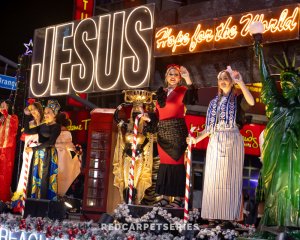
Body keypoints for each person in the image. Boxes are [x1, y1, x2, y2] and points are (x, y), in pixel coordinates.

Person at [187, 67, 254, 221]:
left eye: (226, 78)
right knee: (214, 177)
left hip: (232, 138)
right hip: (215, 139)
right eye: (220, 78)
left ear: (231, 81)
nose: (223, 81)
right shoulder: (213, 103)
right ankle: (213, 216)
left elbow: (251, 101)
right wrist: (196, 140)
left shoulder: (237, 100)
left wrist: (241, 82)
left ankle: (229, 217)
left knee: (230, 178)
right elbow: (209, 128)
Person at [254, 42, 300, 227]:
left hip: (296, 162)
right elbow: (266, 80)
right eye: (284, 83)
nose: (286, 86)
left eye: (291, 83)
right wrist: (259, 51)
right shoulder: (276, 107)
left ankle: (293, 224)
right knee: (276, 189)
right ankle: (274, 224)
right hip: (277, 160)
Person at [154, 64, 196, 208]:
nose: (173, 77)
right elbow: (156, 114)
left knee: (177, 164)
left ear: (179, 78)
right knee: (165, 164)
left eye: (176, 75)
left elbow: (193, 99)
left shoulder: (183, 90)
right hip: (162, 131)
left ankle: (178, 198)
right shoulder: (161, 92)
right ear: (166, 77)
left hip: (177, 131)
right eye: (170, 74)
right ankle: (165, 197)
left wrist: (187, 78)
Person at [11, 99, 44, 212]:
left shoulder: (45, 122)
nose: (33, 112)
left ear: (39, 109)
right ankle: (22, 203)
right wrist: (26, 115)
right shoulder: (30, 123)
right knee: (25, 175)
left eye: (34, 109)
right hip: (29, 151)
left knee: (38, 175)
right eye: (31, 111)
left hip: (40, 152)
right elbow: (26, 132)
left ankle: (37, 201)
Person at [25, 99, 61, 200]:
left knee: (45, 179)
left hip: (48, 154)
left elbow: (50, 142)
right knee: (35, 177)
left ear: (54, 114)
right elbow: (27, 131)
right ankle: (34, 201)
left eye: (48, 112)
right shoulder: (42, 125)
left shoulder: (57, 127)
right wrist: (28, 115)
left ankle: (44, 204)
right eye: (45, 113)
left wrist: (33, 149)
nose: (45, 115)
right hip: (38, 153)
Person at [55, 112, 81, 197]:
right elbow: (69, 145)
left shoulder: (54, 129)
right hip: (64, 155)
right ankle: (61, 193)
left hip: (54, 153)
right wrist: (75, 154)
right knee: (65, 173)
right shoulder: (66, 130)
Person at [0, 100, 18, 202]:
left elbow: (13, 127)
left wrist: (6, 114)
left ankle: (3, 198)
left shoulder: (14, 117)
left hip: (8, 150)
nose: (2, 107)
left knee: (5, 173)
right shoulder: (2, 118)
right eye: (1, 105)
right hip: (0, 147)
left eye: (4, 105)